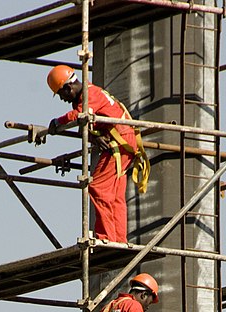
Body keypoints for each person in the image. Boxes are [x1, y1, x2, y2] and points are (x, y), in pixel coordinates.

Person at [36, 65, 149, 242]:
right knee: (115, 195)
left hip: (119, 143)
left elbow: (79, 114)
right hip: (124, 142)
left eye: (61, 94)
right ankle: (119, 238)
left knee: (98, 188)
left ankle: (107, 237)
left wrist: (58, 121)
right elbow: (87, 123)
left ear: (68, 87)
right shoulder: (88, 94)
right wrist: (94, 138)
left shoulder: (90, 96)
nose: (62, 99)